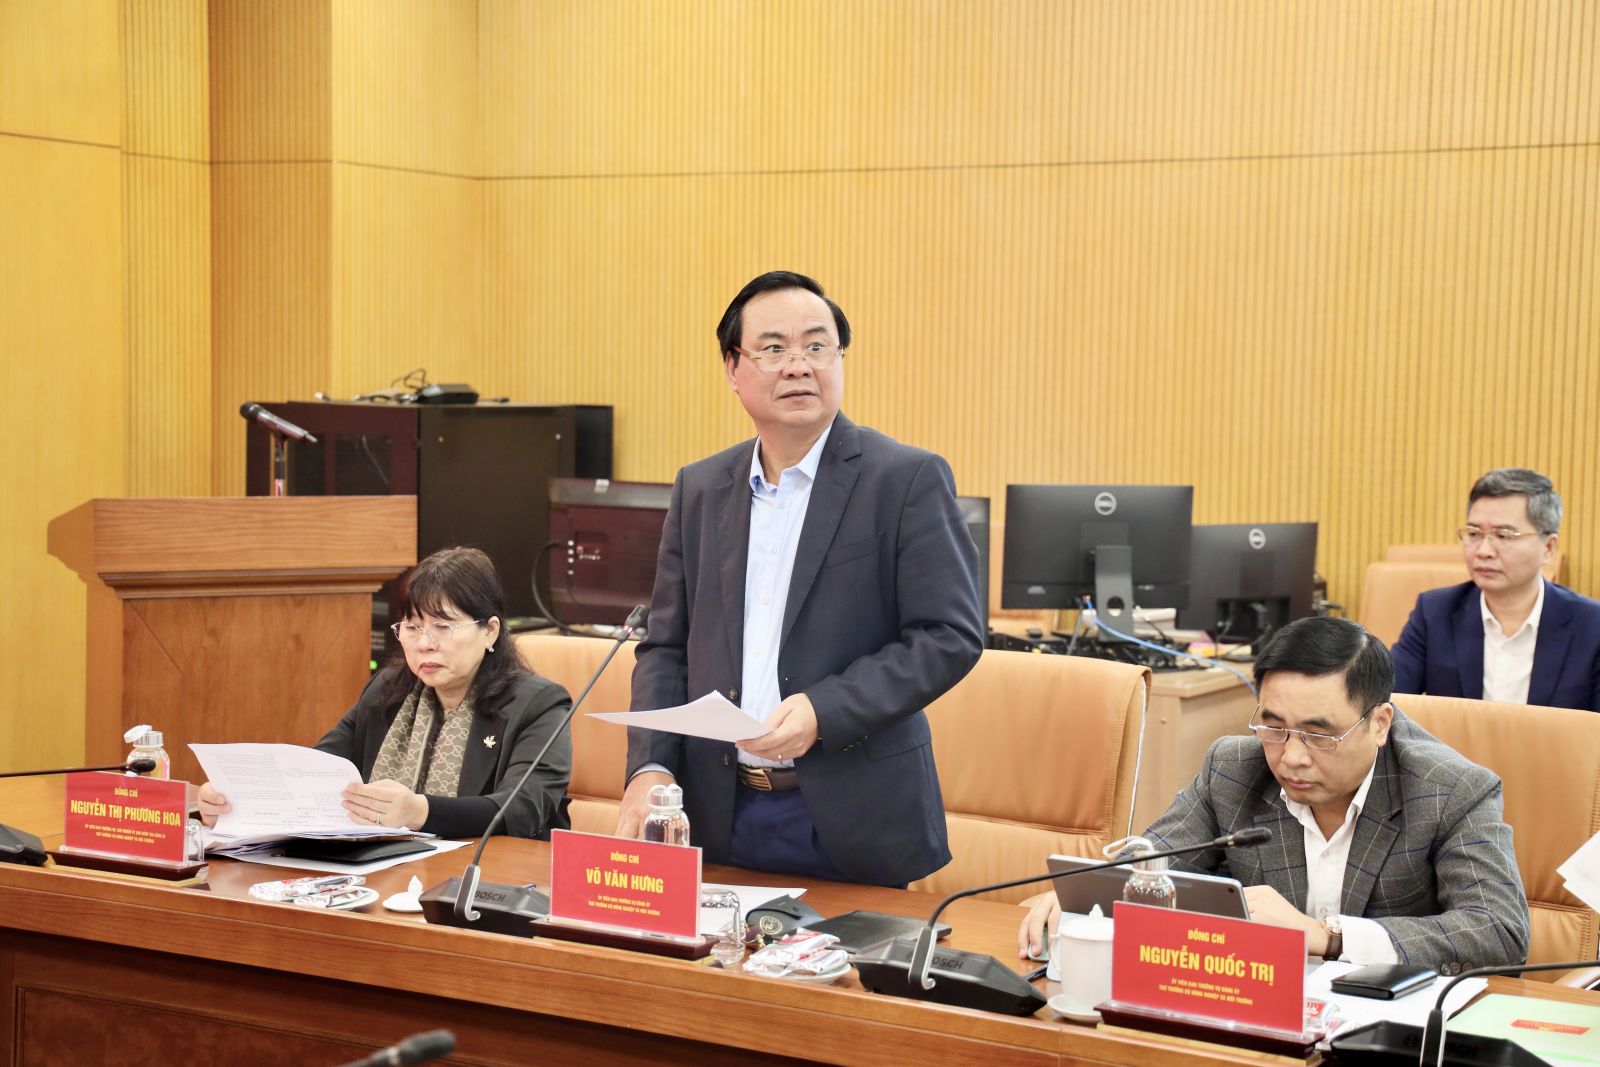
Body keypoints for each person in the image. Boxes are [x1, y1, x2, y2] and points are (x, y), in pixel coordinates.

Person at [615, 270, 985, 886]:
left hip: (850, 816)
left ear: (840, 358)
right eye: (774, 348)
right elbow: (665, 647)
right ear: (733, 368)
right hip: (715, 811)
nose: (798, 366)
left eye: (817, 345)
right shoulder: (701, 488)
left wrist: (825, 709)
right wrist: (650, 766)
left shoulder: (904, 479)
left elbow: (950, 636)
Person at [1018, 616, 1529, 975]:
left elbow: (1499, 932)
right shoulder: (1234, 768)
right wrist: (1089, 894)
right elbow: (1156, 861)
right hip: (1254, 1016)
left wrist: (1328, 937)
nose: (1292, 756)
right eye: (1274, 726)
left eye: (1319, 734)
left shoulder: (1449, 789)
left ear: (1379, 723)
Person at [198, 547, 572, 838]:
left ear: (489, 631)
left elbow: (521, 808)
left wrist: (420, 812)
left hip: (489, 881)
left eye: (443, 627)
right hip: (388, 873)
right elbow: (314, 772)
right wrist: (235, 802)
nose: (424, 643)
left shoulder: (538, 705)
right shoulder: (388, 692)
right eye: (412, 627)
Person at [1392, 467, 1600, 711]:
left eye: (1504, 535)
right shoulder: (1434, 612)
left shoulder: (1592, 626)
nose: (1483, 551)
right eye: (1474, 533)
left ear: (1548, 548)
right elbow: (1383, 702)